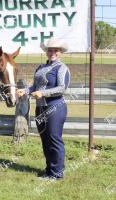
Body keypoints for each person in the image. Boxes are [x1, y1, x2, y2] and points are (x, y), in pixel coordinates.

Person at [17, 38, 71, 180]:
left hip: (55, 107)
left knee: (54, 139)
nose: (52, 52)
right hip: (40, 108)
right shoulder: (40, 67)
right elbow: (35, 87)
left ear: (60, 52)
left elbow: (62, 88)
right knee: (45, 139)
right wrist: (25, 91)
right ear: (46, 52)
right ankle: (49, 170)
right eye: (50, 50)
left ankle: (57, 173)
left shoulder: (62, 68)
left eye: (55, 50)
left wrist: (43, 93)